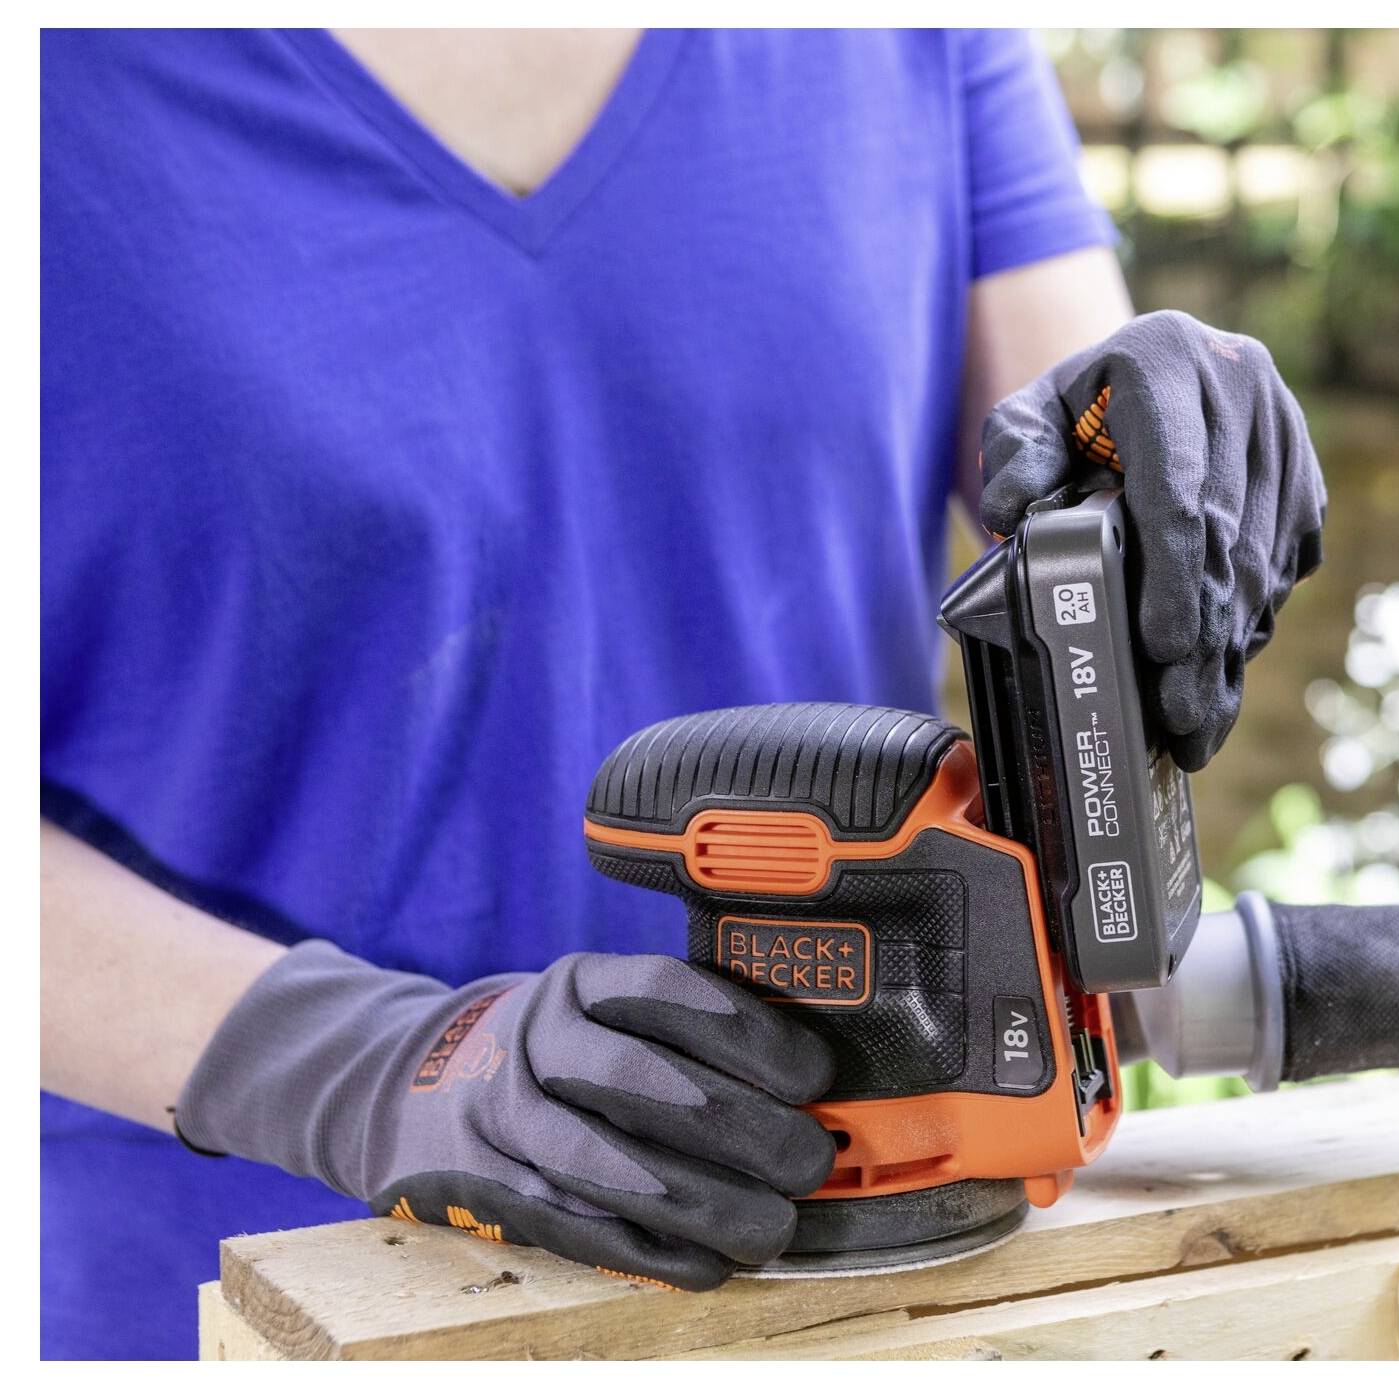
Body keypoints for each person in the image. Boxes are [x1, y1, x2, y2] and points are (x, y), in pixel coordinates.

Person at [41, 29, 1324, 1359]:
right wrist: (349, 1067)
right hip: (216, 1299)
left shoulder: (916, 41)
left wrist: (1163, 459)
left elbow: (1075, 501)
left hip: (860, 1285)